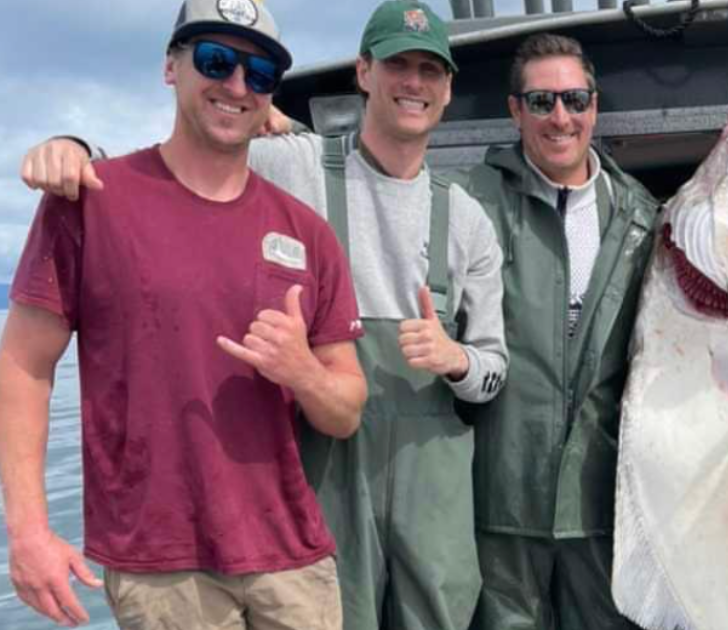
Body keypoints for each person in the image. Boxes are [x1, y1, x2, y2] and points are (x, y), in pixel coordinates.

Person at [19, 2, 508, 629]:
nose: (413, 82)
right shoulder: (295, 165)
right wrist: (73, 147)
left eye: (429, 70)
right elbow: (168, 173)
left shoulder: (466, 219)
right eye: (397, 65)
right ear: (364, 72)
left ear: (447, 89)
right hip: (313, 496)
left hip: (395, 501)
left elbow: (494, 370)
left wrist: (457, 359)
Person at [0, 0, 368, 628]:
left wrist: (301, 371)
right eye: (216, 61)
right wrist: (29, 532)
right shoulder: (90, 202)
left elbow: (346, 410)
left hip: (294, 562)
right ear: (171, 67)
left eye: (258, 74)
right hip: (160, 568)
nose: (236, 86)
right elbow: (24, 366)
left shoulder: (308, 233)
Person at [449, 33, 656, 630]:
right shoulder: (468, 201)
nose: (560, 117)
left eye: (575, 99)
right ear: (516, 110)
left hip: (604, 517)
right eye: (541, 102)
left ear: (595, 106)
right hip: (499, 511)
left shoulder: (644, 218)